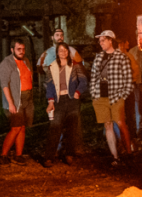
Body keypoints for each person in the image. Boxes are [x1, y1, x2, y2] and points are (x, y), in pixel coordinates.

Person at [90, 30, 132, 166]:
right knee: (107, 124)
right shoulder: (98, 57)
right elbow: (93, 76)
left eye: (103, 40)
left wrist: (123, 95)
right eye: (100, 41)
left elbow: (128, 79)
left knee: (120, 123)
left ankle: (129, 153)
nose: (100, 43)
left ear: (110, 41)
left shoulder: (121, 57)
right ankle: (115, 157)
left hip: (116, 95)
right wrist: (94, 93)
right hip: (101, 96)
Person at [43, 42, 87, 167]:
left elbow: (83, 80)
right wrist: (50, 101)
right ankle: (49, 157)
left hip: (72, 99)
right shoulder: (52, 67)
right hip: (58, 101)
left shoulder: (74, 66)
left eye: (65, 50)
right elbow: (49, 86)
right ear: (57, 52)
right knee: (55, 127)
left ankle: (69, 154)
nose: (63, 52)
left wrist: (78, 92)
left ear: (68, 52)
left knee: (72, 128)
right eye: (61, 50)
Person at [0, 38, 35, 164]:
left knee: (22, 127)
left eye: (23, 49)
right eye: (19, 49)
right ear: (12, 49)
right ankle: (3, 155)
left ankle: (18, 155)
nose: (22, 52)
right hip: (15, 99)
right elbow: (4, 84)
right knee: (16, 127)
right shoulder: (6, 63)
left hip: (27, 98)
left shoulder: (26, 61)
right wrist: (10, 103)